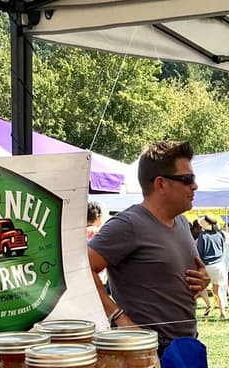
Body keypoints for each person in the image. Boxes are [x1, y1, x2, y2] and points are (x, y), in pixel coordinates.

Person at [87, 140, 209, 350]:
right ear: (161, 184)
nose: (194, 185)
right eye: (187, 179)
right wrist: (119, 317)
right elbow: (82, 269)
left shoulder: (181, 221)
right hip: (144, 351)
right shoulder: (128, 224)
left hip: (186, 346)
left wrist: (203, 278)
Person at [196, 215, 229, 320]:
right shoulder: (220, 234)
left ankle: (208, 304)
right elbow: (223, 250)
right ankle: (222, 312)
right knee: (217, 290)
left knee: (200, 288)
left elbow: (199, 252)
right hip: (219, 265)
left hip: (207, 265)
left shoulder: (203, 235)